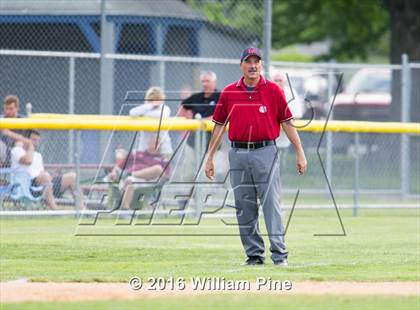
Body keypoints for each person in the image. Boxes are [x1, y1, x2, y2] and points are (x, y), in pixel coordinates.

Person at [204, 47, 307, 266]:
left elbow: (287, 123)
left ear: (261, 65)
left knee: (271, 204)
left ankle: (279, 255)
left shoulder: (273, 90)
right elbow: (219, 126)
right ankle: (254, 255)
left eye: (256, 61)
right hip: (238, 152)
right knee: (244, 205)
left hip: (265, 151)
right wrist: (210, 157)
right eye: (248, 61)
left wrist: (300, 152)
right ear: (241, 65)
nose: (253, 65)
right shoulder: (230, 92)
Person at [10, 130, 85, 210]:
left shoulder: (38, 155)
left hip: (44, 183)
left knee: (72, 177)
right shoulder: (17, 151)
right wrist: (30, 147)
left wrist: (51, 176)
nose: (36, 143)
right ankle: (55, 210)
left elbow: (41, 172)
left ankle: (82, 210)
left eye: (38, 140)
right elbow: (28, 161)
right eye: (34, 140)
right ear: (26, 140)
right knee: (45, 176)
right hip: (27, 185)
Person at [177, 72, 221, 182]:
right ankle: (186, 198)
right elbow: (183, 107)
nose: (205, 84)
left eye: (208, 81)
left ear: (215, 82)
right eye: (203, 81)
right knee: (188, 173)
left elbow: (223, 115)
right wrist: (187, 121)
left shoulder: (221, 97)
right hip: (193, 141)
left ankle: (205, 198)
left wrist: (203, 121)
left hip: (212, 142)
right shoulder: (197, 97)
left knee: (206, 175)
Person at [107, 136, 169, 209]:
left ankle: (129, 175)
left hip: (148, 181)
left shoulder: (162, 160)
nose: (157, 145)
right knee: (129, 181)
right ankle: (124, 209)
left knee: (158, 168)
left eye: (159, 143)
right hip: (129, 179)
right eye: (154, 142)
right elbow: (118, 166)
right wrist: (114, 172)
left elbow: (166, 176)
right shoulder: (136, 153)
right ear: (149, 143)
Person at [129, 87, 173, 158]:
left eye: (159, 99)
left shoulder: (165, 109)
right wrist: (150, 105)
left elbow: (160, 115)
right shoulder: (144, 108)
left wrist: (144, 115)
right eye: (152, 100)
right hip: (145, 149)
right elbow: (132, 112)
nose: (156, 102)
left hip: (163, 150)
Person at [0, 95, 30, 167]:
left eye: (11, 109)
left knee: (19, 144)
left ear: (17, 108)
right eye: (6, 109)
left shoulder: (23, 121)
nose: (8, 112)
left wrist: (8, 133)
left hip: (18, 152)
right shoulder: (1, 119)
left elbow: (27, 141)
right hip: (3, 152)